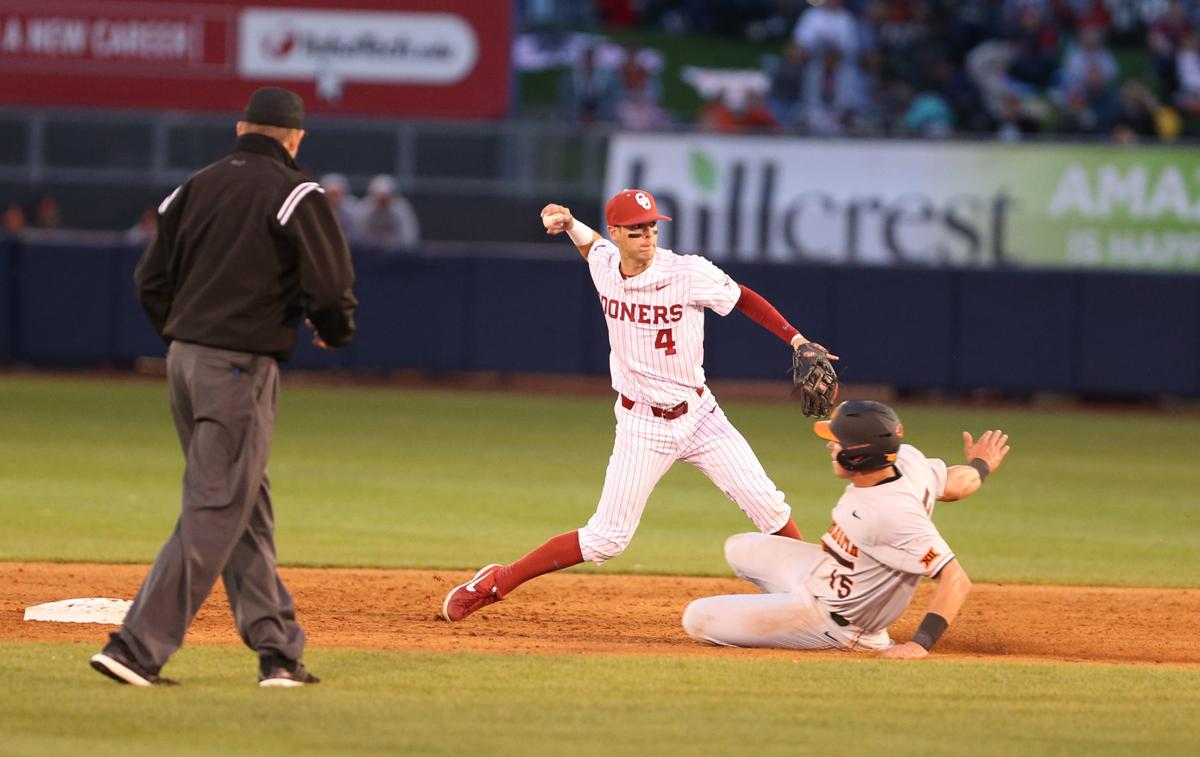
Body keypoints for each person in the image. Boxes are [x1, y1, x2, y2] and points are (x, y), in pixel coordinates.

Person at [440, 188, 830, 622]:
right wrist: (568, 223)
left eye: (651, 227)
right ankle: (497, 581)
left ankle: (814, 597)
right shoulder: (605, 265)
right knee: (607, 540)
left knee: (769, 506)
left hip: (701, 416)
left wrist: (796, 338)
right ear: (617, 234)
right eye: (636, 229)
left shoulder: (687, 272)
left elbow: (745, 299)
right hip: (641, 425)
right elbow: (590, 246)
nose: (647, 236)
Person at [90, 86, 357, 687]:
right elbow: (332, 281)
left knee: (244, 506)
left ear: (241, 130)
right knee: (215, 509)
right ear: (294, 138)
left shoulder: (195, 186)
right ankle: (136, 648)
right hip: (238, 367)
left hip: (185, 363)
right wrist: (335, 330)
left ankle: (278, 652)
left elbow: (149, 279)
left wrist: (187, 338)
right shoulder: (296, 191)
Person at [681, 400, 1010, 658]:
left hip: (838, 621)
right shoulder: (905, 459)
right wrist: (980, 466)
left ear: (858, 455)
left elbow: (956, 579)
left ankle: (824, 631)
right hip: (825, 574)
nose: (830, 447)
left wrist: (920, 644)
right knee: (740, 547)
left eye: (837, 442)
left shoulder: (891, 513)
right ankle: (786, 604)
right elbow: (955, 482)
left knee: (696, 619)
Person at [352, 174, 420, 251]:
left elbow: (409, 234)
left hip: (396, 252)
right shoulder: (364, 208)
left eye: (386, 196)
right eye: (379, 196)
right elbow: (357, 233)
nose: (382, 200)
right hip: (369, 252)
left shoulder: (401, 208)